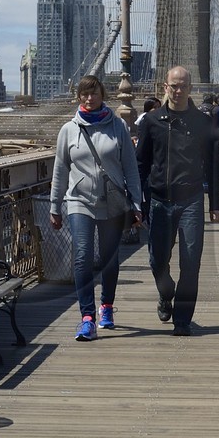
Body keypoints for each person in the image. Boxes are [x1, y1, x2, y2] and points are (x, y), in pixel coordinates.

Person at [49, 75, 144, 341]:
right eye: (84, 94)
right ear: (79, 97)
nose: (89, 99)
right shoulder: (68, 129)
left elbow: (130, 169)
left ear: (103, 96)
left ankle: (107, 306)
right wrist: (55, 206)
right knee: (82, 256)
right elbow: (60, 170)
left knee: (108, 258)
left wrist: (137, 202)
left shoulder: (118, 127)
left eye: (94, 93)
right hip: (79, 201)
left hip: (112, 202)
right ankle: (87, 317)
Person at [135, 65, 219, 335]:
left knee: (191, 260)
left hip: (192, 200)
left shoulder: (202, 122)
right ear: (165, 87)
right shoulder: (151, 121)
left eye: (183, 85)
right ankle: (166, 292)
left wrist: (216, 203)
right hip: (160, 200)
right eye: (174, 85)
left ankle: (182, 319)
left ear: (191, 88)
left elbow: (213, 165)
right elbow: (141, 164)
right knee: (156, 261)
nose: (179, 90)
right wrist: (138, 201)